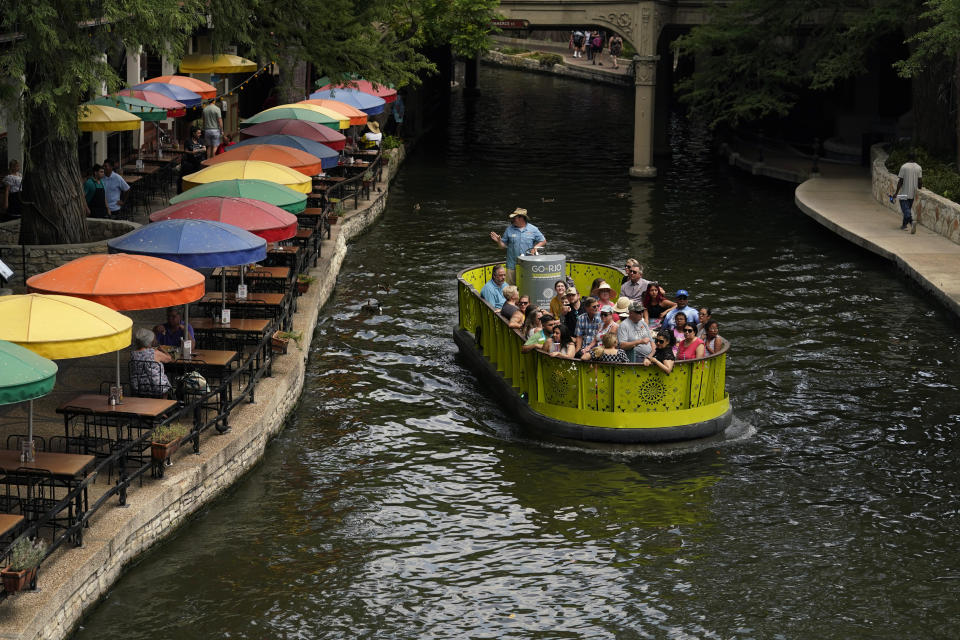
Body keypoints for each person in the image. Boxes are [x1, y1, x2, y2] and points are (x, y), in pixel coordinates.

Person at [489, 208, 546, 285]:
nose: (512, 220)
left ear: (521, 218)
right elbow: (502, 247)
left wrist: (535, 248)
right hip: (511, 265)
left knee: (527, 286)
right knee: (510, 289)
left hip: (527, 265)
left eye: (514, 218)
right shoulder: (509, 229)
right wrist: (499, 241)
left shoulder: (533, 229)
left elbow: (543, 241)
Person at [130, 328, 173, 396]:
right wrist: (163, 350)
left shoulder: (133, 354)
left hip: (138, 388)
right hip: (157, 387)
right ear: (149, 341)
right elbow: (169, 359)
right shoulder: (155, 353)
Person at [892, 152, 922, 233]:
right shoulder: (919, 167)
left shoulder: (904, 167)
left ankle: (912, 222)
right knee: (907, 209)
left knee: (906, 210)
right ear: (915, 158)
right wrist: (919, 187)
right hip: (912, 193)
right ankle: (904, 225)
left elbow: (900, 181)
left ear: (907, 158)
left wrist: (896, 193)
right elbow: (920, 181)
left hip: (903, 193)